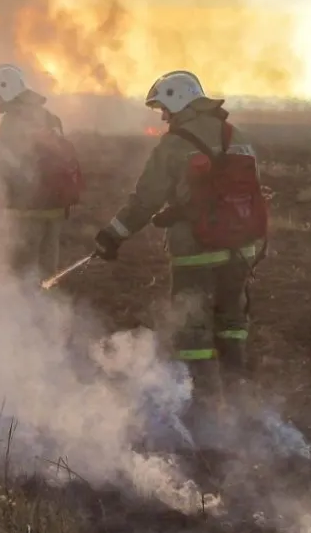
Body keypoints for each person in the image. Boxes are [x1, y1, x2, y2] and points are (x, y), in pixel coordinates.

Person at [93, 70, 268, 442]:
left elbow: (144, 201)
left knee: (194, 335)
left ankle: (203, 417)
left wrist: (113, 235)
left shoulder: (174, 144)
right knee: (233, 326)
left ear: (176, 100)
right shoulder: (239, 137)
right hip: (240, 252)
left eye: (163, 108)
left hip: (196, 256)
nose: (162, 117)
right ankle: (239, 409)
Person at [0, 63, 83, 283]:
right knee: (46, 275)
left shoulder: (13, 122)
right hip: (54, 211)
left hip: (27, 210)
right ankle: (47, 315)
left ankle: (22, 316)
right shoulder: (51, 118)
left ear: (7, 89)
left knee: (20, 275)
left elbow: (1, 166)